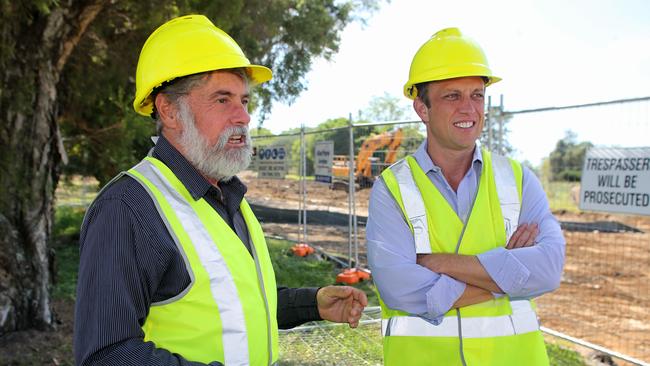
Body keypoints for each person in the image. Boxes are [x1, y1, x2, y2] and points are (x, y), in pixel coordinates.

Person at [74, 14, 367, 366]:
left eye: (244, 101)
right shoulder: (128, 207)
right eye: (222, 100)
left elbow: (232, 305)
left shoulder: (229, 196)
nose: (242, 117)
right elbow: (105, 354)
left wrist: (312, 302)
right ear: (169, 110)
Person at [367, 28, 565, 365]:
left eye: (477, 95)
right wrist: (508, 277)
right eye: (452, 96)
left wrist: (441, 263)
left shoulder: (518, 179)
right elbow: (398, 286)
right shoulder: (391, 188)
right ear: (422, 108)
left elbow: (548, 270)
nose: (469, 109)